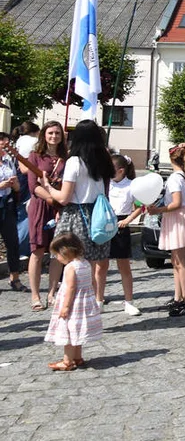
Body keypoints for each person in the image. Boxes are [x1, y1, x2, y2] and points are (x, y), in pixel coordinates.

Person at [43, 120, 115, 307]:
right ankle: (93, 302)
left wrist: (48, 187)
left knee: (75, 263)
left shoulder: (74, 161)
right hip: (97, 214)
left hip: (77, 214)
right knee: (91, 263)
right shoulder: (103, 158)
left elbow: (64, 197)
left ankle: (76, 304)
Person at [145, 143, 185, 316]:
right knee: (176, 261)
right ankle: (179, 297)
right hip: (177, 218)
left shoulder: (176, 178)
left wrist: (158, 210)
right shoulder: (184, 175)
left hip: (177, 218)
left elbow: (176, 203)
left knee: (181, 262)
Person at [43, 233, 102, 371]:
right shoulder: (85, 263)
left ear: (65, 252)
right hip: (84, 303)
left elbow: (71, 288)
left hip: (73, 304)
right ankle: (77, 357)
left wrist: (65, 307)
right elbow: (93, 281)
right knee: (77, 331)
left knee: (68, 332)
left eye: (57, 254)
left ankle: (67, 361)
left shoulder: (71, 267)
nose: (57, 258)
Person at [26, 122, 66, 310]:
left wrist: (60, 203)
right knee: (37, 251)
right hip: (42, 207)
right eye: (50, 133)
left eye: (57, 133)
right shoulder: (34, 156)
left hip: (61, 208)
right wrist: (53, 199)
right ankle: (35, 295)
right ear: (44, 135)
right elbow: (33, 186)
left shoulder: (66, 157)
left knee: (58, 252)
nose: (54, 136)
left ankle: (52, 293)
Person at [106, 155, 142, 316]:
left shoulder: (132, 185)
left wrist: (127, 220)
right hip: (105, 222)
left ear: (121, 171)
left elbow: (139, 207)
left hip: (121, 224)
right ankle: (98, 299)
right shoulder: (106, 184)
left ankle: (129, 301)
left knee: (124, 266)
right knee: (100, 266)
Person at [0, 132, 25, 293]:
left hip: (7, 206)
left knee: (13, 243)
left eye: (8, 143)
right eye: (3, 142)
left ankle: (14, 278)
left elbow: (17, 188)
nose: (5, 145)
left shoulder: (9, 161)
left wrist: (14, 185)